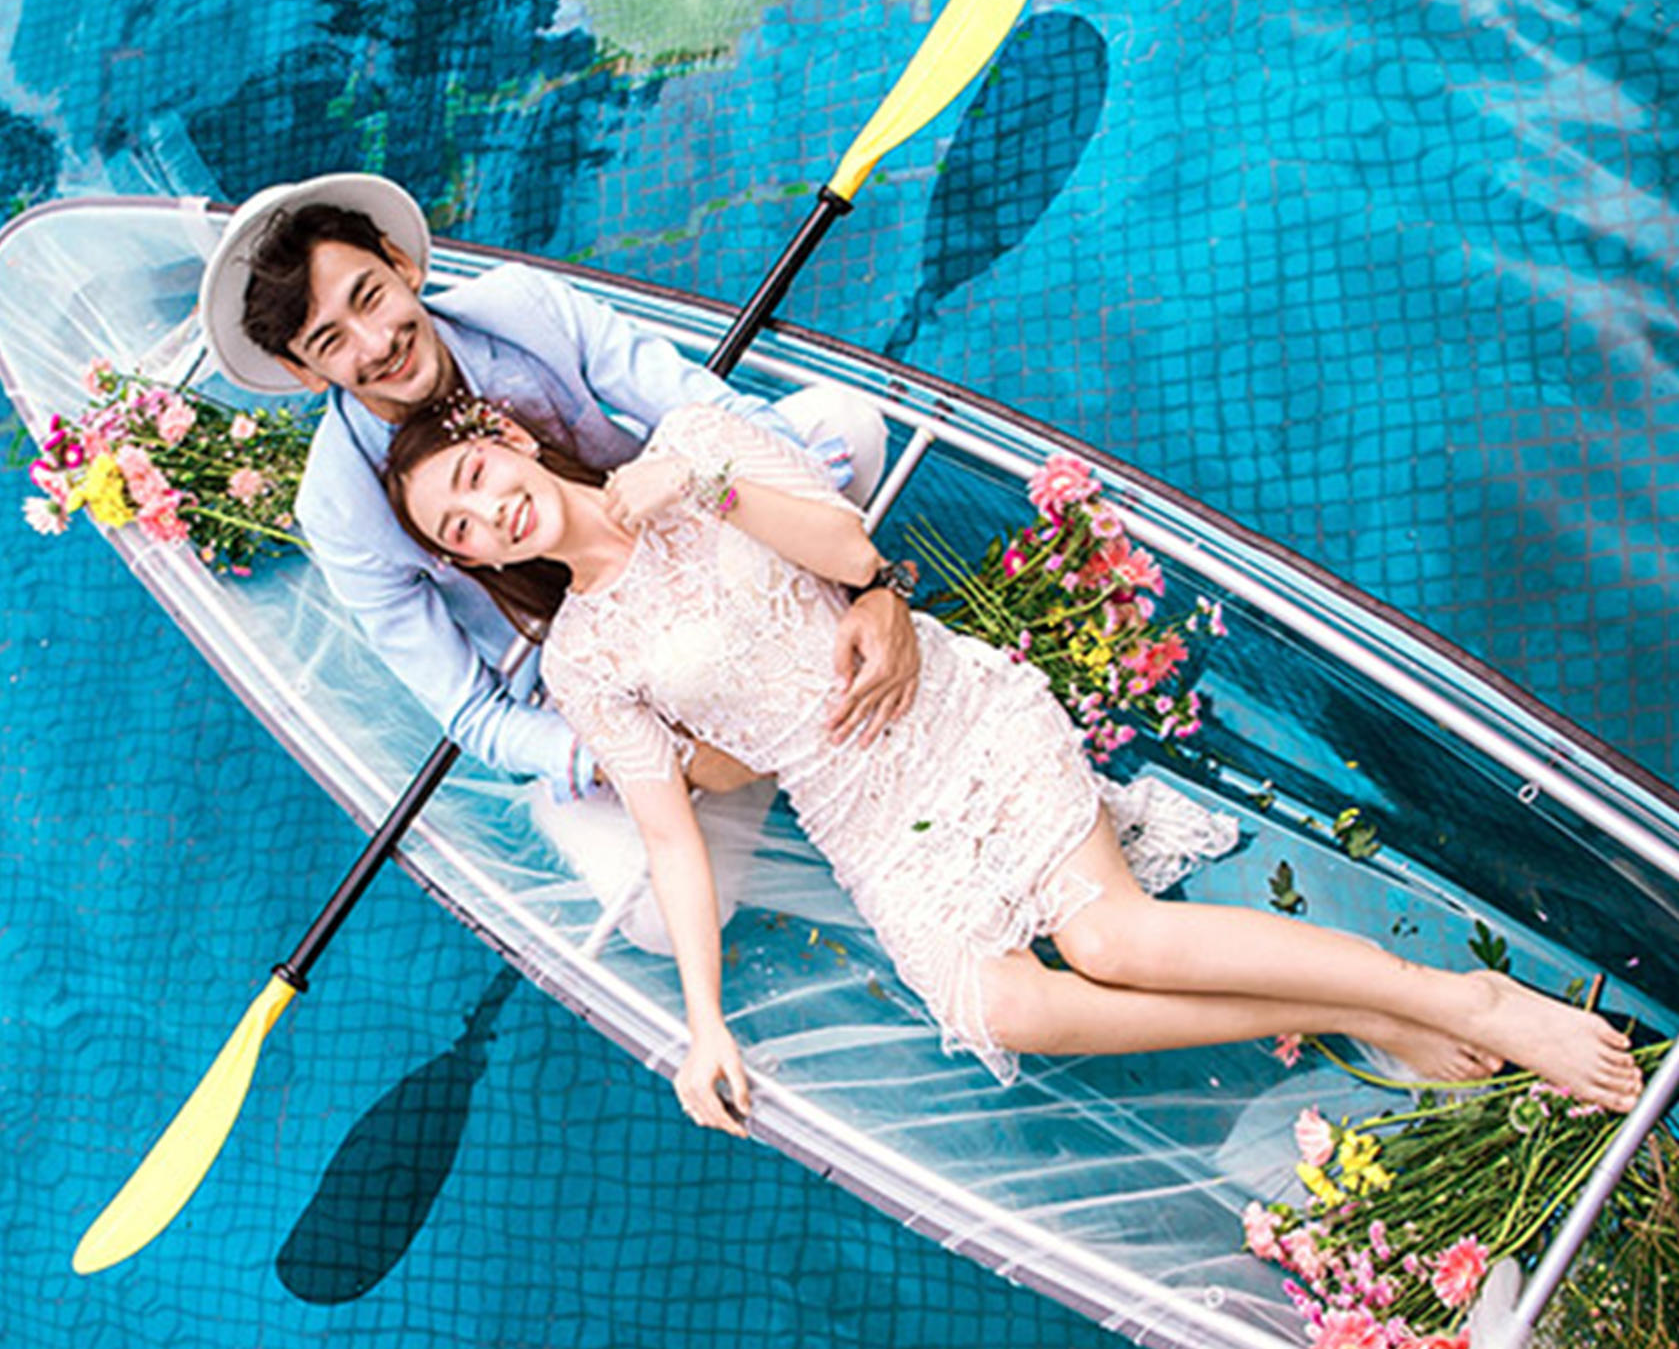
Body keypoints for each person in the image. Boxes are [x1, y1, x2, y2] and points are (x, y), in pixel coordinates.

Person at [381, 395, 1647, 1136]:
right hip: (857, 809)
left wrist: (697, 486)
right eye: (460, 527)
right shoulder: (584, 659)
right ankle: (1347, 1007)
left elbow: (848, 553)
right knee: (1002, 1010)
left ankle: (1458, 999)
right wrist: (699, 1027)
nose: (489, 514)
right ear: (464, 559)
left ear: (508, 436)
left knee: (1110, 940)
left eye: (478, 478)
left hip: (948, 712)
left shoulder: (694, 439)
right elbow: (668, 832)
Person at [199, 172, 919, 806]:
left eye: (370, 297)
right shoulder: (338, 509)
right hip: (597, 670)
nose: (376, 344)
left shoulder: (522, 306)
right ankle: (760, 754)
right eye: (330, 342)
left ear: (401, 263)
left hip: (680, 537)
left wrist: (873, 585)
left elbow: (710, 409)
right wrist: (660, 758)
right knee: (636, 893)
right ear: (303, 372)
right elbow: (472, 712)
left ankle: (827, 635)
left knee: (844, 425)